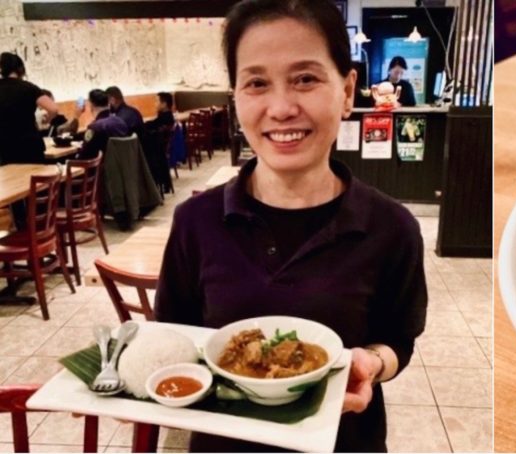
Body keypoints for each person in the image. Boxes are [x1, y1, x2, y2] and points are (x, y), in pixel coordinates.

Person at [153, 0, 427, 452]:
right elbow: (173, 335)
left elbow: (398, 340)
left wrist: (372, 364)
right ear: (236, 97)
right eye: (257, 83)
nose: (281, 108)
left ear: (346, 90)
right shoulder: (194, 222)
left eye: (305, 78)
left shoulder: (392, 227)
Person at [0, 52, 58, 164]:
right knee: (36, 179)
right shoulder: (28, 87)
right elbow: (53, 109)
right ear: (20, 69)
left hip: (6, 146)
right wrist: (48, 119)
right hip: (30, 144)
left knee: (14, 180)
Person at [78, 89, 130, 159]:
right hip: (125, 167)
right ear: (108, 103)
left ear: (91, 104)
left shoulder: (95, 127)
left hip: (104, 168)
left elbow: (84, 156)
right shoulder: (120, 122)